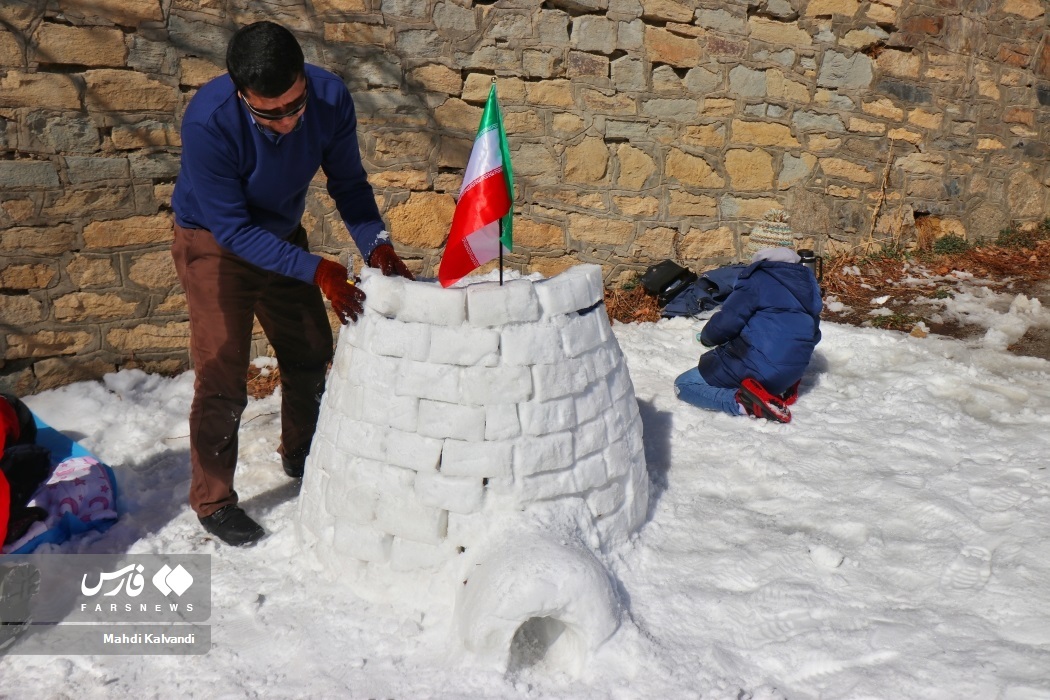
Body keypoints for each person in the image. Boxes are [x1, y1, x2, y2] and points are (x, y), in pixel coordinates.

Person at [170, 21, 413, 546]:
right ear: (241, 94)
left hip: (280, 234)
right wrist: (319, 269)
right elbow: (233, 229)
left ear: (304, 79)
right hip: (214, 240)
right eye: (268, 113)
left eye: (294, 106)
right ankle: (214, 500)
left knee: (309, 345)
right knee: (222, 370)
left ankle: (301, 452)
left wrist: (377, 243)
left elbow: (348, 182)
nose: (286, 122)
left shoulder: (329, 98)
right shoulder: (208, 124)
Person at [674, 247, 822, 424]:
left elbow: (728, 320)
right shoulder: (808, 283)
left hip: (758, 368)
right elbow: (814, 334)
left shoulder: (757, 278)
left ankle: (743, 403)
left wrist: (707, 337)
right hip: (793, 371)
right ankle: (779, 387)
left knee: (684, 384)